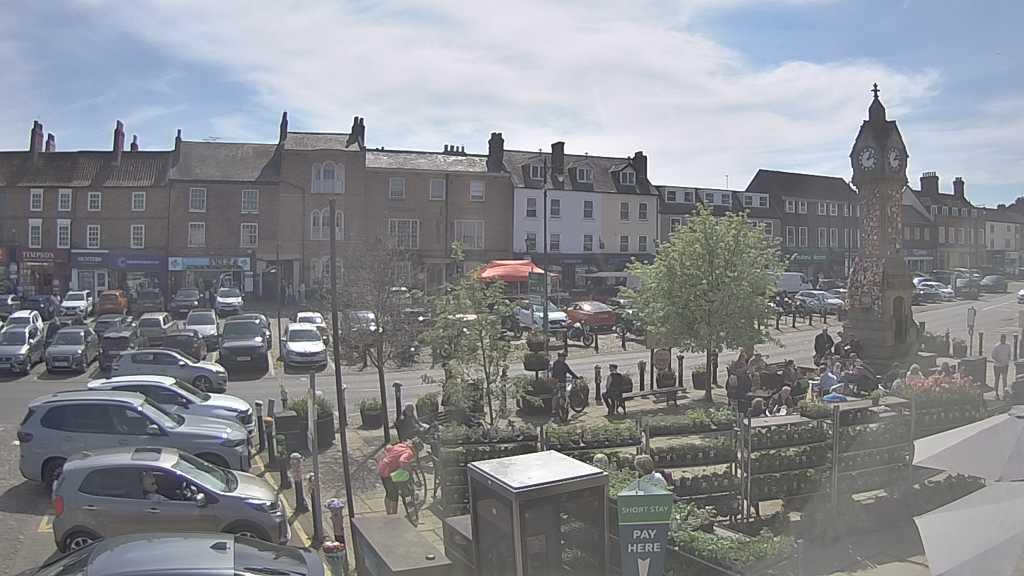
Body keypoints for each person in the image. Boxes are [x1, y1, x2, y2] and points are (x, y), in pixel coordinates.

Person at [378, 438, 422, 515]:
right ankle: (394, 515)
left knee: (388, 493)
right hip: (388, 472)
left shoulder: (401, 445)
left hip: (382, 467)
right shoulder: (409, 452)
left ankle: (389, 513)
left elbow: (388, 448)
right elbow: (402, 461)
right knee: (394, 495)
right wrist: (408, 470)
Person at [992, 334, 1012, 400]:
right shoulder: (996, 346)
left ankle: (1004, 393)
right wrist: (998, 360)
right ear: (1000, 339)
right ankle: (996, 393)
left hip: (1005, 365)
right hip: (997, 366)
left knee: (1004, 379)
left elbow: (1009, 354)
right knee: (997, 379)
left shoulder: (1008, 346)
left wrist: (1007, 360)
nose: (1002, 340)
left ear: (1005, 339)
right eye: (1001, 339)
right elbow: (993, 356)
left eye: (1004, 339)